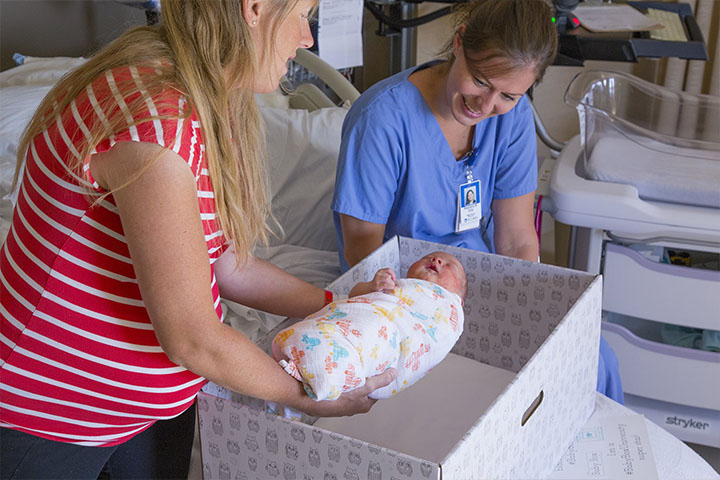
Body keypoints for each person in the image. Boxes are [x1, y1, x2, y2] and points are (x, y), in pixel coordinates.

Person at [0, 2, 395, 478]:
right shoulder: (156, 120)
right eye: (301, 14)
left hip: (143, 415)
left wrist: (337, 305)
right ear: (254, 8)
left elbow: (225, 263)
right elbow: (192, 339)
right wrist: (306, 396)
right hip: (49, 414)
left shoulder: (197, 94)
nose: (306, 38)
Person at [331, 0, 623, 402]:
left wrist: (528, 309)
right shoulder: (383, 120)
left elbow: (518, 239)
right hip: (403, 286)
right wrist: (407, 310)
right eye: (481, 81)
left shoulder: (514, 119)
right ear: (459, 42)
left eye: (508, 95)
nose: (486, 108)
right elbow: (361, 247)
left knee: (594, 357)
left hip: (478, 281)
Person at [272, 251, 465, 402]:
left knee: (374, 338)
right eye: (427, 258)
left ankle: (322, 371)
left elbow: (431, 343)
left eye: (451, 265)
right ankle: (308, 361)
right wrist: (373, 286)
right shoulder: (397, 285)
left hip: (393, 334)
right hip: (365, 315)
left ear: (460, 298)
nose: (437, 260)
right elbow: (354, 296)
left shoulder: (451, 310)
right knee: (346, 325)